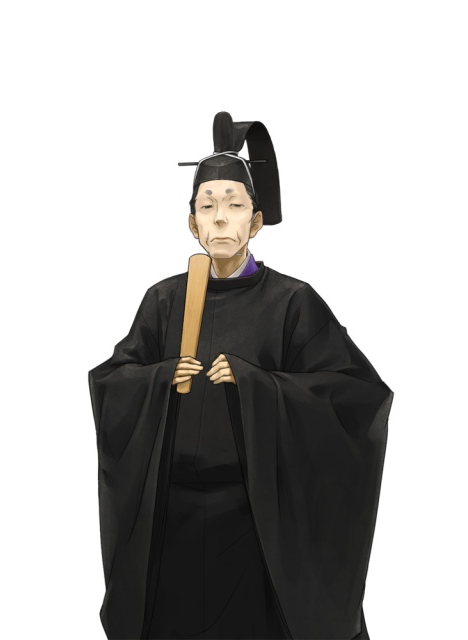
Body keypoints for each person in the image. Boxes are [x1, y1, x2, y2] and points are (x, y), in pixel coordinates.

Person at [88, 112, 394, 640]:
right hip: (174, 517)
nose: (220, 220)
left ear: (255, 222)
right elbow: (112, 381)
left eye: (234, 205)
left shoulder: (292, 302)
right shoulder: (165, 300)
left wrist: (257, 386)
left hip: (256, 521)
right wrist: (159, 378)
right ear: (192, 224)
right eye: (207, 206)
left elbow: (356, 395)